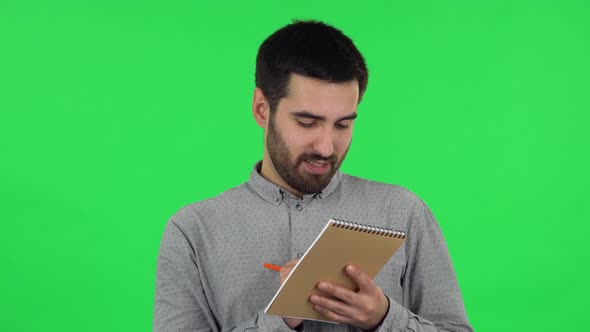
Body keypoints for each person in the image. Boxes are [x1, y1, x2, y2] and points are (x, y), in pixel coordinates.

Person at [154, 20, 473, 332]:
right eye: (307, 122)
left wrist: (384, 319)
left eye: (343, 125)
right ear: (262, 109)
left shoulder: (403, 213)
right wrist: (280, 320)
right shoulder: (192, 232)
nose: (326, 147)